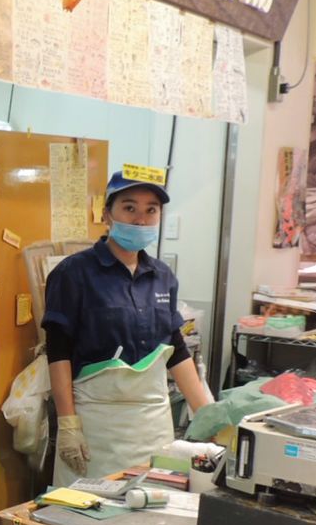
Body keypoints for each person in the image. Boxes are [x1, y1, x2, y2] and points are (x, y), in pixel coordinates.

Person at [42, 171, 213, 486]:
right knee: (89, 514)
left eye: (151, 210)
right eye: (129, 207)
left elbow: (175, 345)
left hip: (152, 425)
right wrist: (68, 422)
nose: (140, 219)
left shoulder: (162, 276)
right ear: (107, 214)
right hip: (96, 424)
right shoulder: (73, 273)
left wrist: (205, 415)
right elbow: (58, 349)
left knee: (151, 507)